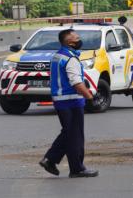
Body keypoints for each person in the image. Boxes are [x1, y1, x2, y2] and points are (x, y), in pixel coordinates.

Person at [39, 29, 99, 178]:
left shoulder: (58, 56)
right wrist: (90, 97)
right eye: (77, 38)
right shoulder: (70, 58)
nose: (79, 40)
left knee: (69, 134)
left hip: (61, 101)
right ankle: (76, 169)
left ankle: (51, 160)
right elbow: (76, 82)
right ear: (70, 42)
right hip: (71, 101)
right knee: (75, 136)